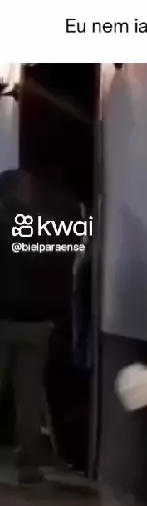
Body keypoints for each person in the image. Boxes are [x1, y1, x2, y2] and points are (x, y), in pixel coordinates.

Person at [0, 169, 54, 484]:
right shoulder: (41, 225)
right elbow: (53, 268)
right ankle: (28, 464)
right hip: (35, 322)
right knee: (29, 396)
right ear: (20, 190)